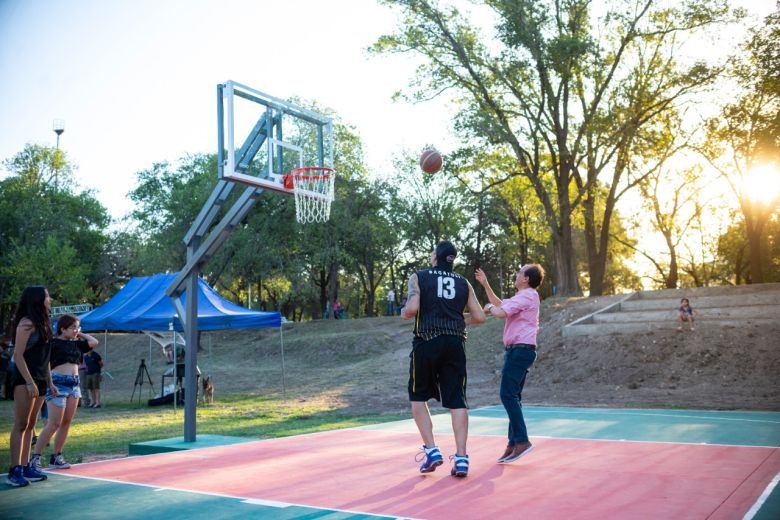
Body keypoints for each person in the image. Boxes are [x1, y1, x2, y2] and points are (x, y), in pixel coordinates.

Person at [401, 240, 486, 478]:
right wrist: (455, 320)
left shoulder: (418, 277)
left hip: (426, 342)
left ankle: (431, 450)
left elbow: (411, 310)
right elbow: (479, 317)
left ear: (435, 256)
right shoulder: (464, 282)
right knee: (457, 400)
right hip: (455, 343)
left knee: (418, 397)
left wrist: (404, 311)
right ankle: (461, 458)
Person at [476, 264, 545, 464]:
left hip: (519, 350)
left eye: (520, 272)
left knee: (507, 395)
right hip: (520, 351)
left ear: (526, 279)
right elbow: (500, 304)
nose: (516, 274)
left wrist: (488, 309)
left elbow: (499, 312)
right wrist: (485, 284)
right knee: (513, 397)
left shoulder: (527, 295)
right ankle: (513, 444)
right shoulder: (523, 297)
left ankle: (522, 441)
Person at [29, 315, 98, 471]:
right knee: (54, 423)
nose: (76, 330)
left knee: (66, 423)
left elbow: (94, 342)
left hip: (74, 384)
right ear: (62, 329)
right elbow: (45, 363)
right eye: (72, 327)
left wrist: (78, 333)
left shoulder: (77, 344)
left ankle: (56, 457)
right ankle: (35, 458)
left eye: (77, 327)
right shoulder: (52, 343)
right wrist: (49, 383)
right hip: (57, 383)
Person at [7, 286, 54, 487]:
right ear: (37, 300)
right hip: (25, 379)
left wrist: (50, 382)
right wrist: (29, 381)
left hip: (41, 379)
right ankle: (14, 469)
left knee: (31, 426)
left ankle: (26, 467)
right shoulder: (26, 324)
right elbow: (17, 355)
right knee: (21, 424)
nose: (50, 299)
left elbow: (46, 357)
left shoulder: (44, 323)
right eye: (46, 296)